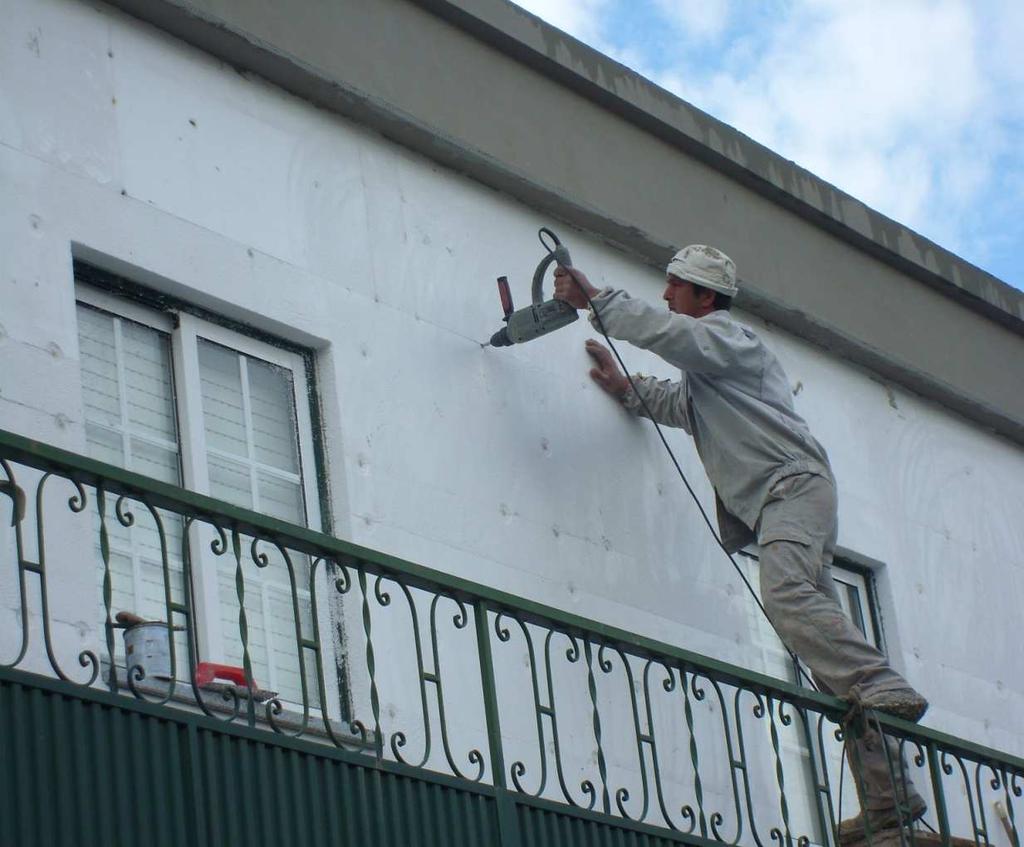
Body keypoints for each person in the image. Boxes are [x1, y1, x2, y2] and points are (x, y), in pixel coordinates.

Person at [553, 245, 928, 839]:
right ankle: (890, 801)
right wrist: (628, 389)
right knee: (823, 644)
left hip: (792, 492)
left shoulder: (730, 340)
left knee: (784, 597)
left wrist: (595, 299)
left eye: (676, 286)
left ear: (706, 299)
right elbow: (686, 405)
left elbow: (672, 337)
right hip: (786, 498)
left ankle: (883, 684)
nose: (666, 295)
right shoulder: (713, 364)